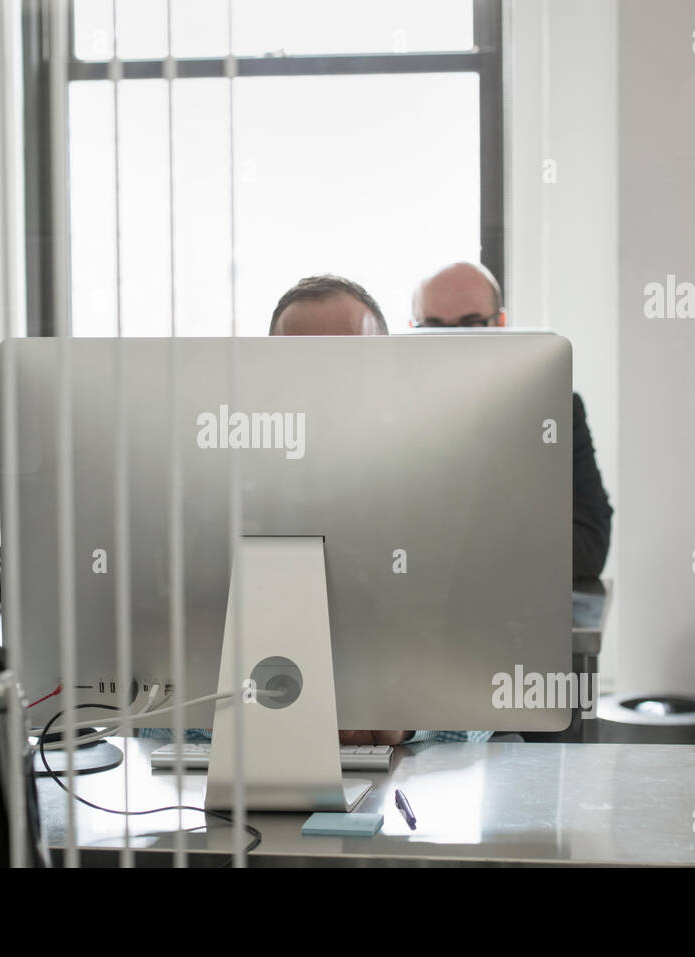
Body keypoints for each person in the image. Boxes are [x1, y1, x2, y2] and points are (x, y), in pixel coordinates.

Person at [143, 275, 490, 747]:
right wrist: (236, 718)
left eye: (347, 366)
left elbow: (488, 680)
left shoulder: (440, 493)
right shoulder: (201, 498)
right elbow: (146, 702)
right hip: (232, 770)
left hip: (401, 778)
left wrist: (411, 718)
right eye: (302, 366)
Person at [412, 262, 614, 581]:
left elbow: (589, 549)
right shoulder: (393, 419)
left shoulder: (554, 410)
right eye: (434, 328)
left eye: (470, 325)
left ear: (500, 323)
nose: (451, 342)